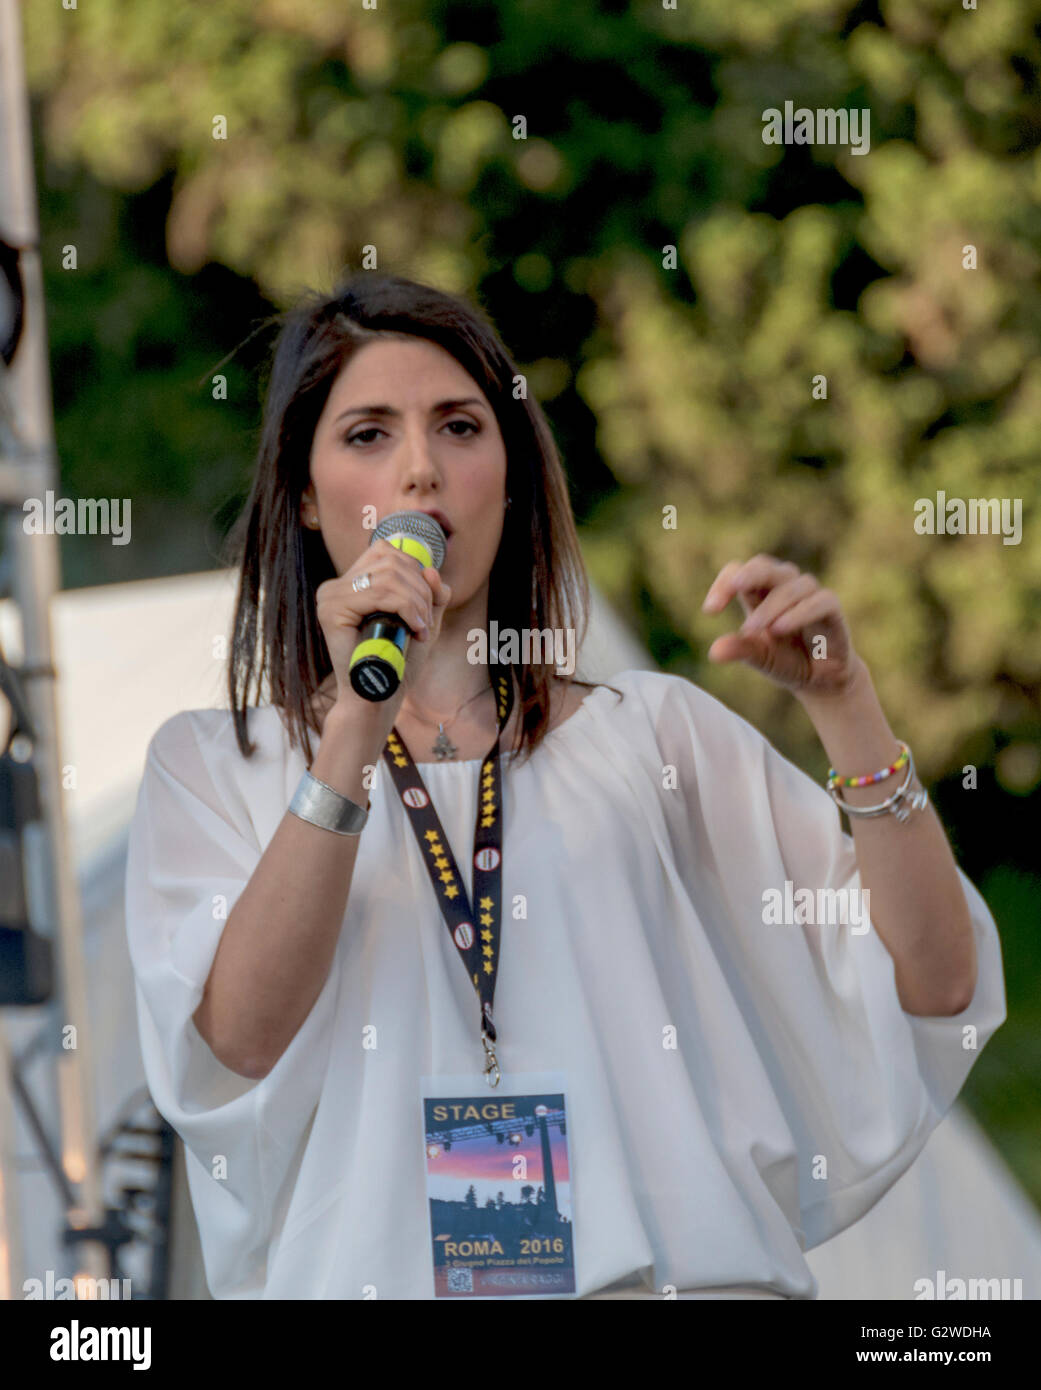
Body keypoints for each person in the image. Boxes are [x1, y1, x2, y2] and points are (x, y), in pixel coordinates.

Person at [124, 273, 1006, 1301]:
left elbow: (936, 986)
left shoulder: (652, 736)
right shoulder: (212, 766)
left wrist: (849, 707)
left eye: (458, 426)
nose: (419, 470)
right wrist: (354, 726)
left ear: (509, 469)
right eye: (368, 434)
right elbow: (237, 1039)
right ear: (307, 493)